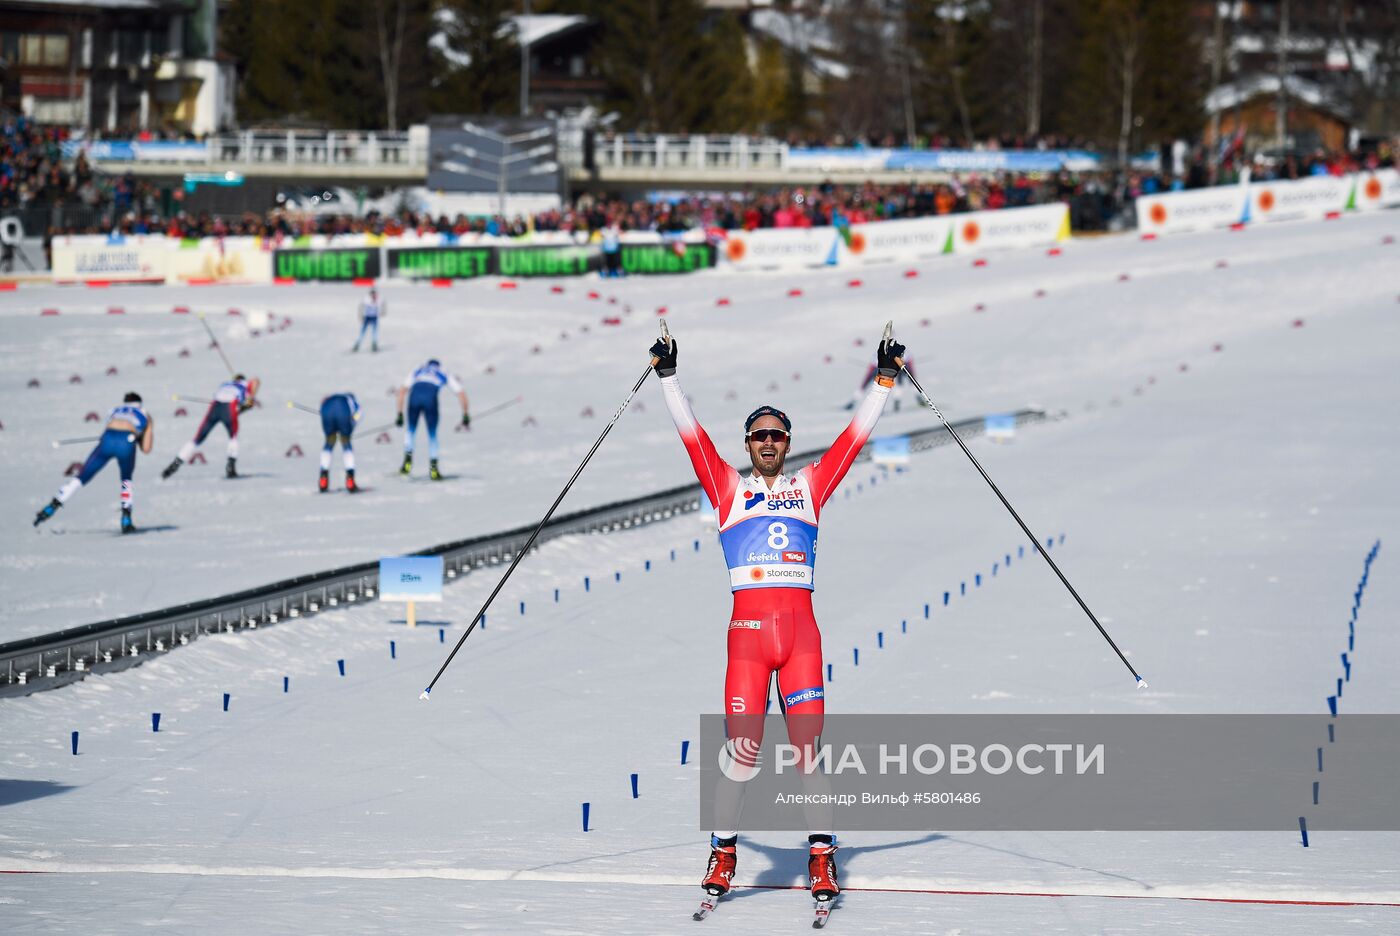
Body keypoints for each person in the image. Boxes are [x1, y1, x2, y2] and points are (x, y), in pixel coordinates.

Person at [648, 326, 905, 909]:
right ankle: (724, 851)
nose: (768, 442)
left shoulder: (809, 487)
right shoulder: (727, 487)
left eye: (777, 435)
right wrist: (669, 377)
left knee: (810, 752)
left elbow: (852, 441)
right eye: (760, 435)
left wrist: (884, 380)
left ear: (787, 443)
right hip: (748, 640)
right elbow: (691, 435)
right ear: (748, 443)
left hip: (800, 639)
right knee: (741, 753)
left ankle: (821, 856)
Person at [34, 392, 154, 534]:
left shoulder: (115, 410)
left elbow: (110, 429)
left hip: (108, 439)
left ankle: (52, 506)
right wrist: (139, 439)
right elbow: (146, 449)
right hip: (127, 442)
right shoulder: (145, 413)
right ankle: (126, 519)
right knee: (126, 479)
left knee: (82, 476)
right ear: (140, 403)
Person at [162, 374, 260, 480]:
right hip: (229, 407)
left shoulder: (225, 384)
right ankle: (230, 469)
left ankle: (174, 466)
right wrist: (251, 398)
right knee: (233, 437)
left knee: (197, 439)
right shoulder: (245, 384)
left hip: (215, 406)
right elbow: (255, 381)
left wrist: (243, 405)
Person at [395, 359, 469, 480]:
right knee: (432, 435)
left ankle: (407, 463)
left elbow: (402, 390)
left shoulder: (419, 368)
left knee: (411, 431)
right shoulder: (443, 370)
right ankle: (433, 470)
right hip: (430, 399)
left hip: (414, 397)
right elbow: (461, 393)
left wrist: (399, 414)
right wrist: (465, 415)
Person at [318, 392, 362, 493]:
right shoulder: (353, 401)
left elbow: (323, 405)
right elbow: (358, 415)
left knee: (329, 442)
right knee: (346, 444)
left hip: (326, 410)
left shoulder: (331, 398)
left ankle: (323, 479)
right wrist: (350, 429)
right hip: (343, 412)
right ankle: (350, 479)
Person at [352, 287, 383, 353]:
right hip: (367, 317)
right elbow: (361, 307)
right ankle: (357, 344)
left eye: (375, 294)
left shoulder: (378, 300)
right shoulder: (366, 299)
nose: (374, 295)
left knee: (374, 332)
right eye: (372, 294)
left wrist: (382, 312)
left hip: (374, 317)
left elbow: (382, 306)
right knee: (362, 332)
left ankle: (374, 344)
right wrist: (360, 316)